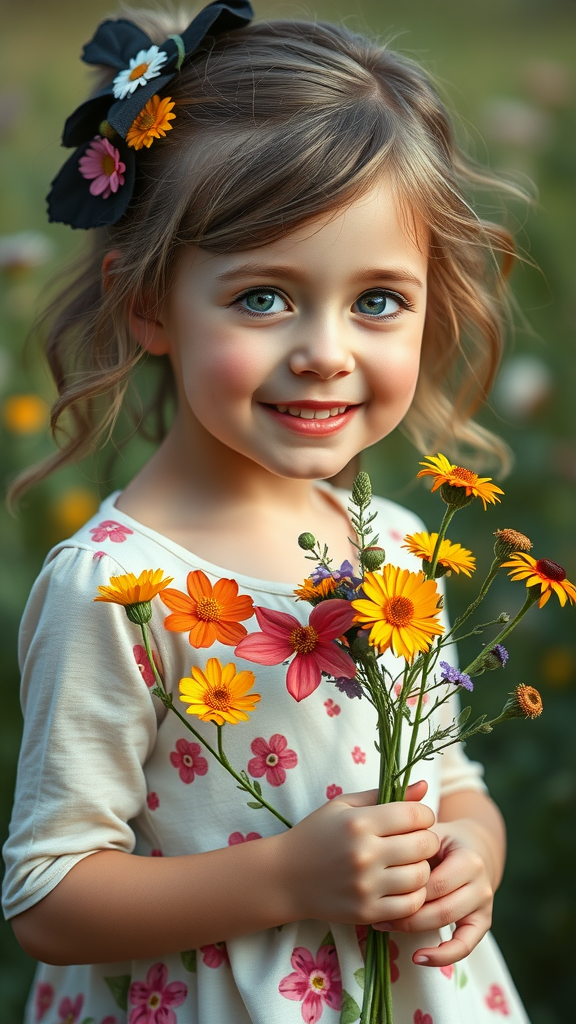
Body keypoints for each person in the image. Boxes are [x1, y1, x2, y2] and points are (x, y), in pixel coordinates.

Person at [2, 2, 531, 1021]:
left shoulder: (396, 552)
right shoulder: (115, 588)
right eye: (263, 298)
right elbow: (49, 896)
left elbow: (449, 775)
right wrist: (288, 879)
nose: (326, 350)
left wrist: (473, 847)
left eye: (378, 300)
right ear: (147, 303)